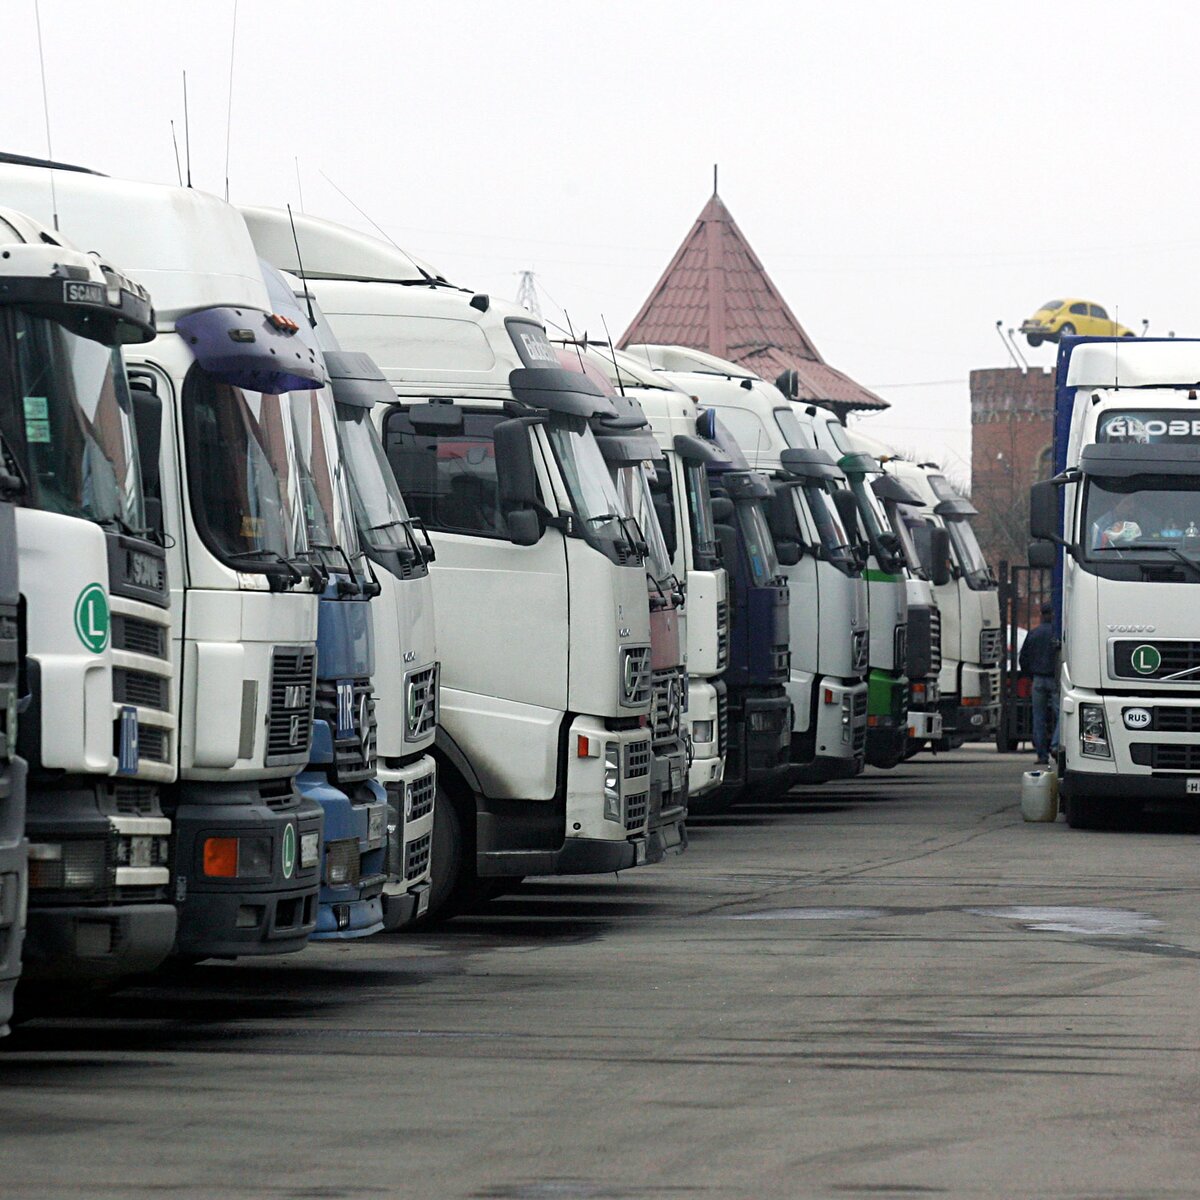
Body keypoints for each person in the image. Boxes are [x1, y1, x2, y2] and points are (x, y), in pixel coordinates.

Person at [1020, 602, 1060, 765]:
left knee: (1038, 718)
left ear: (1041, 615)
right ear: (1053, 614)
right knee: (1062, 716)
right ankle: (1056, 745)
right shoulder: (1057, 634)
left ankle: (1041, 755)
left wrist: (1030, 675)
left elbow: (1023, 658)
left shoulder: (1033, 634)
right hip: (1055, 679)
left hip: (1037, 679)